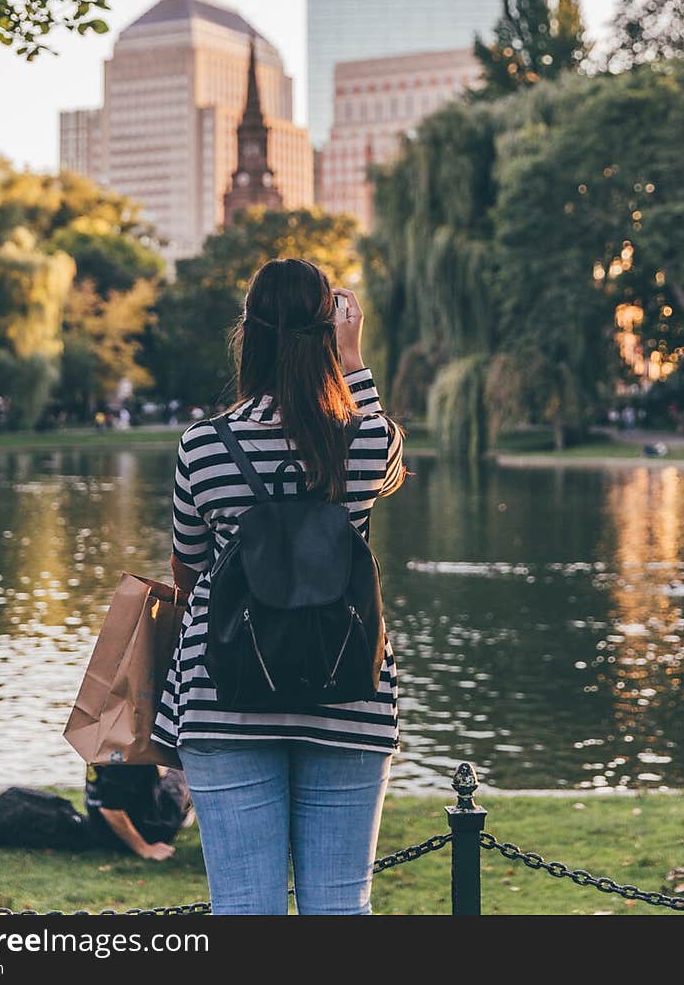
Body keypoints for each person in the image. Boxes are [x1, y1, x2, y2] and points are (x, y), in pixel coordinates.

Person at [152, 258, 406, 914]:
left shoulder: (204, 446)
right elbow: (388, 459)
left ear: (249, 336)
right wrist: (352, 360)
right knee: (340, 907)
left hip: (225, 696)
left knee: (243, 908)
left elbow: (188, 568)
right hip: (348, 692)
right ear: (328, 331)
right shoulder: (363, 437)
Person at [84, 763, 195, 860]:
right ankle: (185, 812)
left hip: (99, 829)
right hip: (149, 831)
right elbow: (110, 810)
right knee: (183, 769)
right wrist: (145, 849)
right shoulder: (125, 757)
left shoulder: (99, 747)